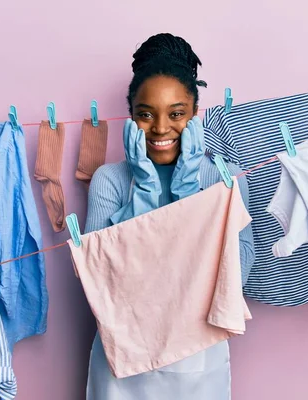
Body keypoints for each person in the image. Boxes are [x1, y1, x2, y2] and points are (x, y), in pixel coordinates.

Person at [84, 33, 255, 400]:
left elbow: (237, 274)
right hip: (123, 370)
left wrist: (187, 193)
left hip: (196, 366)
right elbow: (101, 287)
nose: (161, 128)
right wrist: (144, 192)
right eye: (146, 114)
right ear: (131, 115)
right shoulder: (110, 182)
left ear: (195, 113)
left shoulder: (220, 178)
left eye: (176, 113)